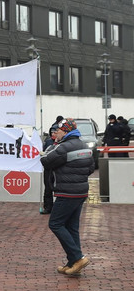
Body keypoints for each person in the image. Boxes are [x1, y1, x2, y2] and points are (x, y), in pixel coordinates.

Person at [40, 118, 95, 275]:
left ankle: (78, 258)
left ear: (65, 132)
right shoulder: (83, 145)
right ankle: (73, 263)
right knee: (72, 227)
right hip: (81, 191)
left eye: (59, 131)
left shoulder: (63, 147)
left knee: (55, 224)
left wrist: (50, 147)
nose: (56, 133)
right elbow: (90, 168)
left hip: (66, 192)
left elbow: (46, 161)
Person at [40, 126, 59, 214]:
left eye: (55, 132)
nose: (53, 134)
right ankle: (48, 207)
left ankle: (58, 208)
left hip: (57, 168)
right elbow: (44, 153)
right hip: (48, 169)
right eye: (52, 132)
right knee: (48, 188)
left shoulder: (62, 143)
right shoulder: (48, 142)